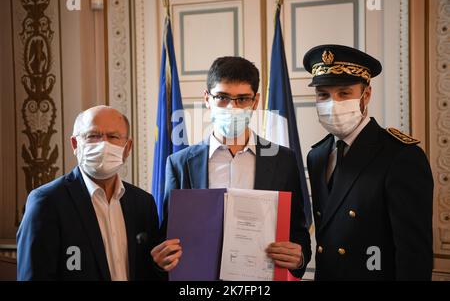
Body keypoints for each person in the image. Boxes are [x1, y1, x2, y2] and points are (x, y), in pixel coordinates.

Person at [151, 56, 312, 279]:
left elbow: (298, 231)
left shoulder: (283, 161)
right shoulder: (179, 163)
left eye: (242, 99)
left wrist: (299, 257)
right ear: (207, 99)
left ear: (255, 102)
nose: (232, 107)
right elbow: (167, 234)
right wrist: (161, 259)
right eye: (222, 97)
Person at [303, 44, 434, 280]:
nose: (332, 103)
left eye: (344, 93)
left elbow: (414, 254)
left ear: (367, 95)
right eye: (323, 94)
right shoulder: (317, 156)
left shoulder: (400, 155)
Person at [17, 106, 165, 281]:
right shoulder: (46, 202)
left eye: (113, 136)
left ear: (127, 147)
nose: (103, 144)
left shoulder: (143, 204)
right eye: (93, 136)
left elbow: (148, 272)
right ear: (75, 144)